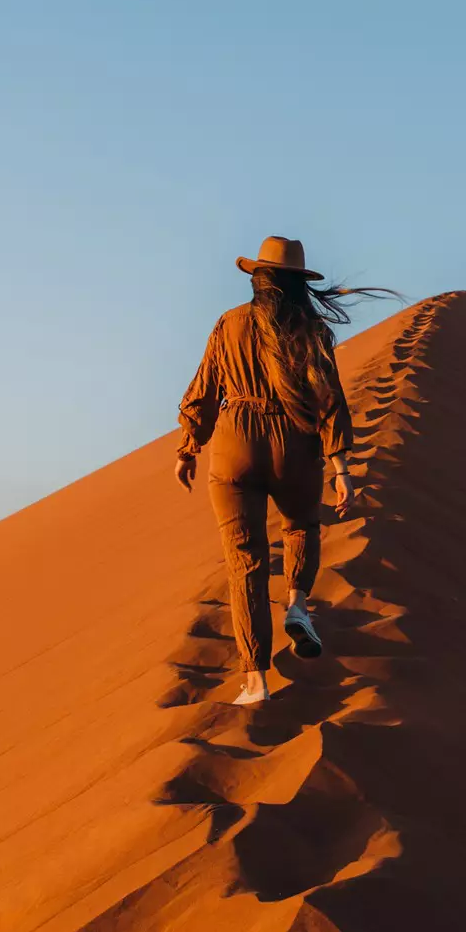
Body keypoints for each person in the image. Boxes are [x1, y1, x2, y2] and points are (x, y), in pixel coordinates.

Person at [174, 237, 397, 705]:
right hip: (294, 441)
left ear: (258, 279)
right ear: (296, 284)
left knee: (246, 564)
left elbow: (205, 389)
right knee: (300, 526)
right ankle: (296, 606)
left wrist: (189, 446)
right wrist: (342, 468)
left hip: (235, 441)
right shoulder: (310, 329)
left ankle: (255, 681)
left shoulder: (228, 324)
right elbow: (330, 399)